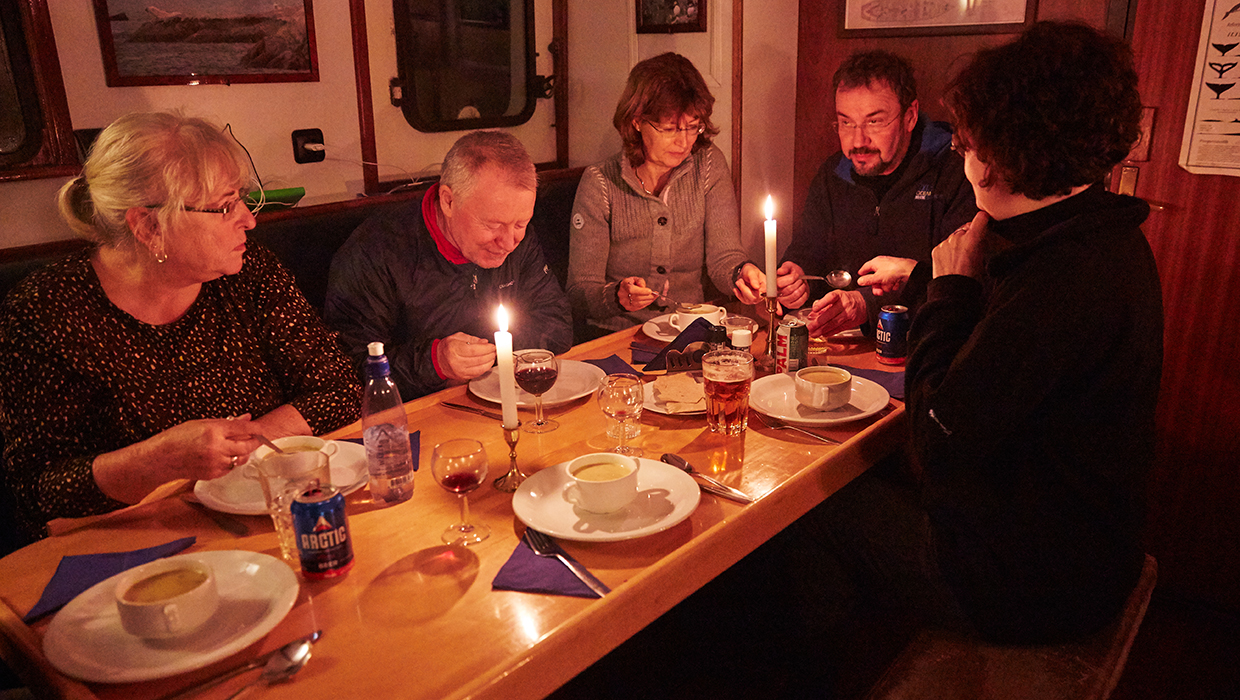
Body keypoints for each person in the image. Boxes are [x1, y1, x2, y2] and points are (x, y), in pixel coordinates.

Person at [774, 21, 1163, 686]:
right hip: (1076, 542)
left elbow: (935, 438)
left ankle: (821, 679)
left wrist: (950, 289)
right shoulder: (1087, 232)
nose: (959, 147)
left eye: (970, 133)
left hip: (1038, 584)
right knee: (859, 476)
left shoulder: (1061, 279)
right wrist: (938, 278)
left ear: (1011, 148)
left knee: (814, 507)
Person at [0, 112, 362, 542]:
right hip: (136, 541)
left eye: (242, 200)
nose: (248, 219)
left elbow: (339, 389)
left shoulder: (249, 273)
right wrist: (158, 460)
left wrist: (239, 446)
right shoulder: (45, 312)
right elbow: (38, 495)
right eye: (225, 206)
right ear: (148, 226)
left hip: (272, 514)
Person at [324, 131, 572, 400]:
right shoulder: (375, 251)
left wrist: (484, 355)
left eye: (521, 224)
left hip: (501, 397)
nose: (509, 242)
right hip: (418, 414)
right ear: (448, 201)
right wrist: (435, 362)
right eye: (493, 225)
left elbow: (557, 326)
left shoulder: (517, 240)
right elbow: (348, 371)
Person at [775, 50, 976, 338]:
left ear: (909, 116)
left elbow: (958, 282)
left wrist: (866, 304)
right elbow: (808, 249)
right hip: (840, 345)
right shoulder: (833, 174)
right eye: (846, 122)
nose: (858, 140)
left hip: (919, 345)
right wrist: (796, 277)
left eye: (874, 122)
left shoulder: (954, 170)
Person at [567, 52, 766, 336]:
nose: (683, 141)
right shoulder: (601, 182)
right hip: (618, 334)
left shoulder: (707, 164)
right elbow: (579, 292)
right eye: (669, 129)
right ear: (637, 121)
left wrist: (740, 274)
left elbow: (724, 257)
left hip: (690, 329)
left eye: (693, 126)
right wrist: (617, 296)